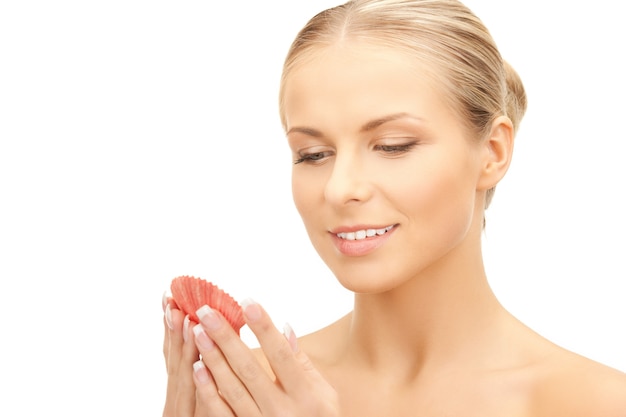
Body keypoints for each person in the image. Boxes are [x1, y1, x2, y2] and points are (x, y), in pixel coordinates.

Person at [161, 0, 626, 415]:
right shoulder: (247, 393)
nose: (339, 189)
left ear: (493, 151)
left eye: (392, 146)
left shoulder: (598, 404)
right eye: (313, 155)